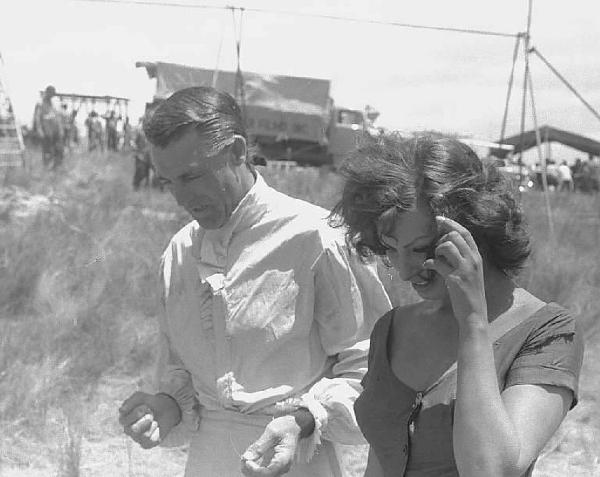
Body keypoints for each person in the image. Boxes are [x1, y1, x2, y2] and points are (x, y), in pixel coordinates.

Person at [118, 87, 392, 477]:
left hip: (294, 461)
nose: (181, 196)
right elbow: (181, 369)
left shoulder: (317, 238)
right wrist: (168, 406)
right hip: (207, 464)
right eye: (168, 182)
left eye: (192, 176)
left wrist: (303, 420)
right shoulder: (179, 253)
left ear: (236, 151)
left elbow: (370, 370)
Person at [331, 133, 584, 477]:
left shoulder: (547, 331)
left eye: (420, 249)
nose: (404, 272)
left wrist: (473, 324)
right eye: (391, 250)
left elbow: (490, 469)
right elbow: (380, 458)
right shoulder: (392, 329)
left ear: (474, 229)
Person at [33, 85, 64, 169]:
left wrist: (60, 129)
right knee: (47, 150)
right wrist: (39, 130)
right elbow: (37, 118)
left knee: (58, 149)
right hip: (46, 131)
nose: (52, 96)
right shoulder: (40, 104)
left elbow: (57, 117)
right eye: (50, 94)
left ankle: (56, 167)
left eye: (53, 94)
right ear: (47, 93)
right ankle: (47, 167)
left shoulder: (53, 104)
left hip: (55, 131)